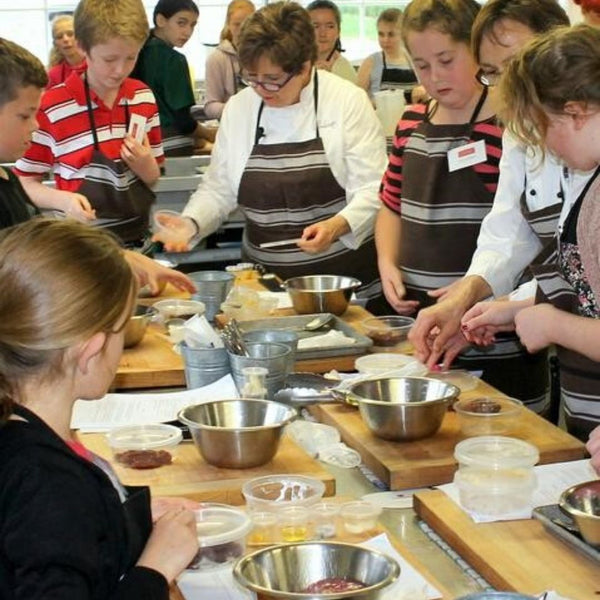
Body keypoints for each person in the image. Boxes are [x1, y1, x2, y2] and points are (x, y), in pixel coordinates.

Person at [0, 218, 199, 599]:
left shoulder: (22, 438)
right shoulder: (48, 482)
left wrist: (130, 519)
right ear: (90, 353)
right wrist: (156, 569)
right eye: (122, 329)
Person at [153, 1, 388, 311]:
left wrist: (337, 226)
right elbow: (219, 187)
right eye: (252, 78)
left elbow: (374, 188)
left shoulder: (346, 102)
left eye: (273, 79)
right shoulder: (241, 107)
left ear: (305, 67)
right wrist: (191, 223)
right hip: (265, 292)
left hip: (342, 291)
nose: (261, 89)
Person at [406, 0, 584, 395]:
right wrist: (470, 295)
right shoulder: (520, 131)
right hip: (580, 374)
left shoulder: (584, 138)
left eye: (519, 65)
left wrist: (517, 307)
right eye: (493, 73)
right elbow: (509, 229)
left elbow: (583, 271)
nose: (509, 88)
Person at [375, 0, 547, 406]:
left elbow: (545, 247)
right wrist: (389, 263)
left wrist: (484, 302)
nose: (434, 77)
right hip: (444, 313)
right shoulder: (413, 121)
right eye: (422, 65)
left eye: (446, 60)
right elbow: (508, 234)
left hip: (502, 333)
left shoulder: (508, 125)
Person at [461, 24, 600, 439]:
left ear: (576, 112)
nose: (541, 143)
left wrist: (554, 326)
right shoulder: (590, 180)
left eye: (542, 128)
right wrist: (522, 308)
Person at [0, 37, 194, 295]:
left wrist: (123, 258)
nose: (35, 126)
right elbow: (26, 272)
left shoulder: (7, 181)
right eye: (25, 116)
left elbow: (40, 249)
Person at [14, 0, 164, 246]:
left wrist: (147, 166)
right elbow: (25, 182)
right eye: (109, 59)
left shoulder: (143, 98)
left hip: (138, 243)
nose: (120, 70)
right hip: (82, 251)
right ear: (83, 47)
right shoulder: (52, 107)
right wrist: (62, 200)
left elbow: (153, 177)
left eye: (131, 58)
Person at [132, 0, 216, 156]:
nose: (188, 32)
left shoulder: (136, 52)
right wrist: (210, 134)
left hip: (139, 143)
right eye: (181, 23)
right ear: (161, 20)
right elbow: (184, 122)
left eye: (192, 25)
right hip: (171, 144)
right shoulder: (173, 60)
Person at [204, 0, 256, 120]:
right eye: (237, 24)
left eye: (248, 23)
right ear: (228, 24)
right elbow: (210, 107)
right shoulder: (217, 58)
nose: (243, 30)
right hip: (232, 126)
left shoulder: (265, 56)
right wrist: (239, 109)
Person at [356, 9, 418, 101]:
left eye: (391, 34)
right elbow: (357, 100)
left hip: (411, 115)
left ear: (403, 34)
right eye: (381, 34)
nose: (385, 40)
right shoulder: (370, 63)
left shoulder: (415, 61)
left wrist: (423, 91)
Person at [307, 0, 357, 84]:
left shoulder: (345, 71)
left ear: (338, 32)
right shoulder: (292, 64)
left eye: (330, 26)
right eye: (316, 26)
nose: (322, 33)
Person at [47, 14, 86, 88]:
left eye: (70, 34)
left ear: (81, 36)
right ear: (55, 44)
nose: (65, 39)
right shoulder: (53, 75)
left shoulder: (96, 66)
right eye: (59, 37)